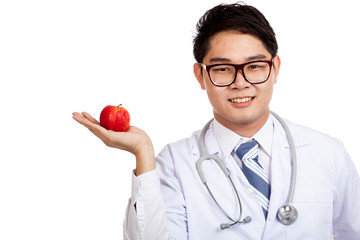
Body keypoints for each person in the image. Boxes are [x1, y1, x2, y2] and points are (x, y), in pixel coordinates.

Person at [72, 3, 360, 239]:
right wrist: (142, 151)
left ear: (275, 69)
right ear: (201, 76)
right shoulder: (174, 163)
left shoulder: (328, 153)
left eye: (254, 66)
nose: (240, 83)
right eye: (223, 69)